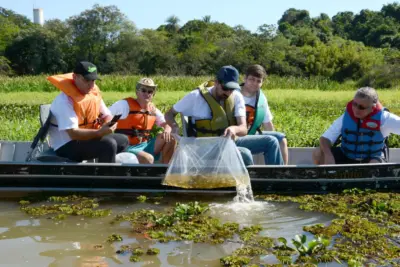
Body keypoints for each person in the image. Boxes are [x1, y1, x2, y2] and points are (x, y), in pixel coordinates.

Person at [164, 65, 284, 166]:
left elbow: (243, 128)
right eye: (225, 88)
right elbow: (169, 114)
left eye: (232, 89)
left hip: (229, 142)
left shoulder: (236, 97)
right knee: (245, 154)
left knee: (271, 141)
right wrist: (174, 126)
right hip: (206, 146)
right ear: (216, 82)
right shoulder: (195, 97)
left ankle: (277, 181)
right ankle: (246, 188)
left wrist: (234, 128)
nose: (228, 92)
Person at [47, 61, 129, 163]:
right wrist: (99, 132)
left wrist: (109, 123)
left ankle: (104, 170)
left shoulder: (91, 94)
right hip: (66, 145)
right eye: (87, 80)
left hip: (86, 139)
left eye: (93, 80)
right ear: (75, 77)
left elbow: (107, 114)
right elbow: (73, 134)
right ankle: (104, 177)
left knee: (123, 140)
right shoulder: (64, 101)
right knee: (108, 144)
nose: (91, 85)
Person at [312, 87, 400, 164]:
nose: (356, 109)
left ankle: (371, 182)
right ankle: (326, 181)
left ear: (372, 108)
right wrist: (328, 156)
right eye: (354, 104)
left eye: (361, 107)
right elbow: (324, 139)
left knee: (374, 165)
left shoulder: (384, 118)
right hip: (346, 156)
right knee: (318, 152)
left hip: (372, 159)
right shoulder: (346, 117)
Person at [109, 78, 176, 164]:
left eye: (150, 92)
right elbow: (106, 116)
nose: (147, 94)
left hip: (144, 145)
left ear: (153, 94)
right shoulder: (124, 105)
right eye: (143, 90)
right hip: (127, 146)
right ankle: (147, 174)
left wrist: (167, 129)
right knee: (148, 159)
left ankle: (164, 170)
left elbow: (167, 124)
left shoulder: (153, 110)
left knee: (171, 139)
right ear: (137, 92)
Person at [240, 64, 289, 165]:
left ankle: (284, 172)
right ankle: (274, 175)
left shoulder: (261, 99)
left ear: (262, 83)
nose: (254, 83)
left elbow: (268, 124)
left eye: (258, 81)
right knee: (270, 141)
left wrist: (275, 138)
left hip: (250, 133)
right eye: (252, 79)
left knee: (280, 138)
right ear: (244, 78)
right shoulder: (234, 94)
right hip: (237, 136)